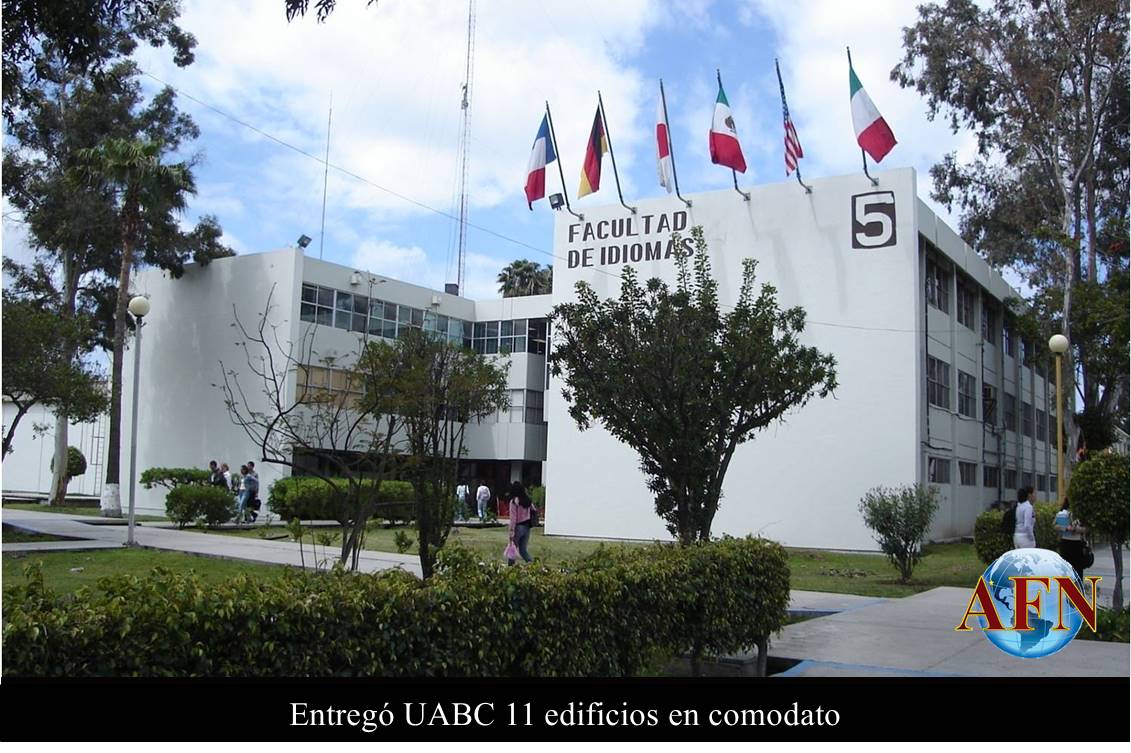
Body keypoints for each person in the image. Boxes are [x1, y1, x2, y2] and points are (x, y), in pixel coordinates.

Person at [1054, 497, 1088, 580]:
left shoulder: (1081, 513)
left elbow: (1087, 529)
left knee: (1078, 570)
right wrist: (1065, 528)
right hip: (1065, 543)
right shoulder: (1062, 513)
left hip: (1077, 544)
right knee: (1066, 569)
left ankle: (1077, 586)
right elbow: (1055, 525)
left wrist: (1076, 529)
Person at [506, 481, 534, 566]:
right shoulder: (527, 501)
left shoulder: (514, 502)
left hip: (518, 527)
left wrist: (511, 531)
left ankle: (510, 567)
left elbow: (513, 518)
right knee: (523, 551)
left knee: (512, 549)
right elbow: (534, 510)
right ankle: (533, 565)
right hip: (527, 527)